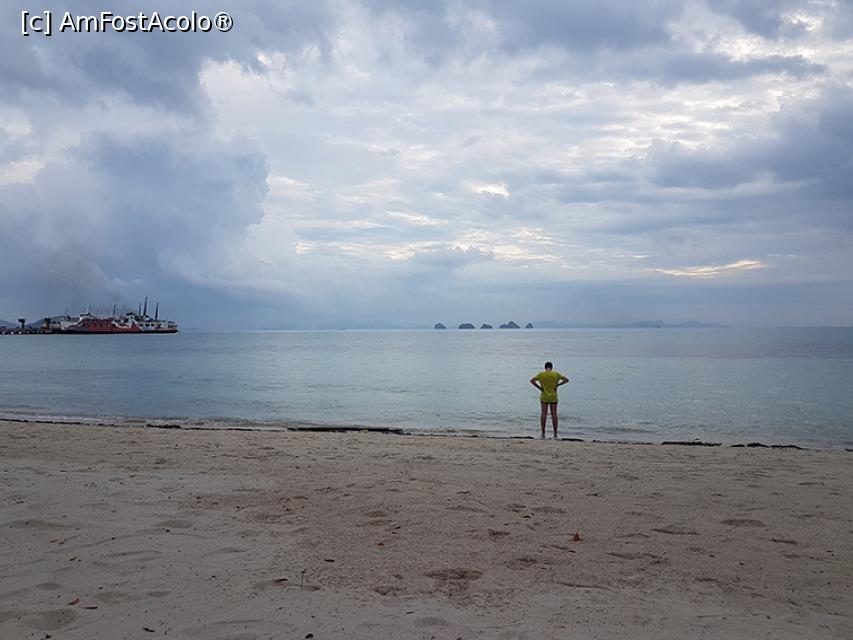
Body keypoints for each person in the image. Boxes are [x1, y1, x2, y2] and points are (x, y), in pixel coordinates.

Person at [530, 362, 569, 439]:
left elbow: (532, 381)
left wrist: (539, 388)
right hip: (553, 397)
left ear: (545, 367)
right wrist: (557, 385)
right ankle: (555, 434)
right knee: (554, 414)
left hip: (544, 396)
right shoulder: (556, 374)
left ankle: (543, 433)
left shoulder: (541, 374)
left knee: (543, 414)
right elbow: (566, 380)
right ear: (552, 367)